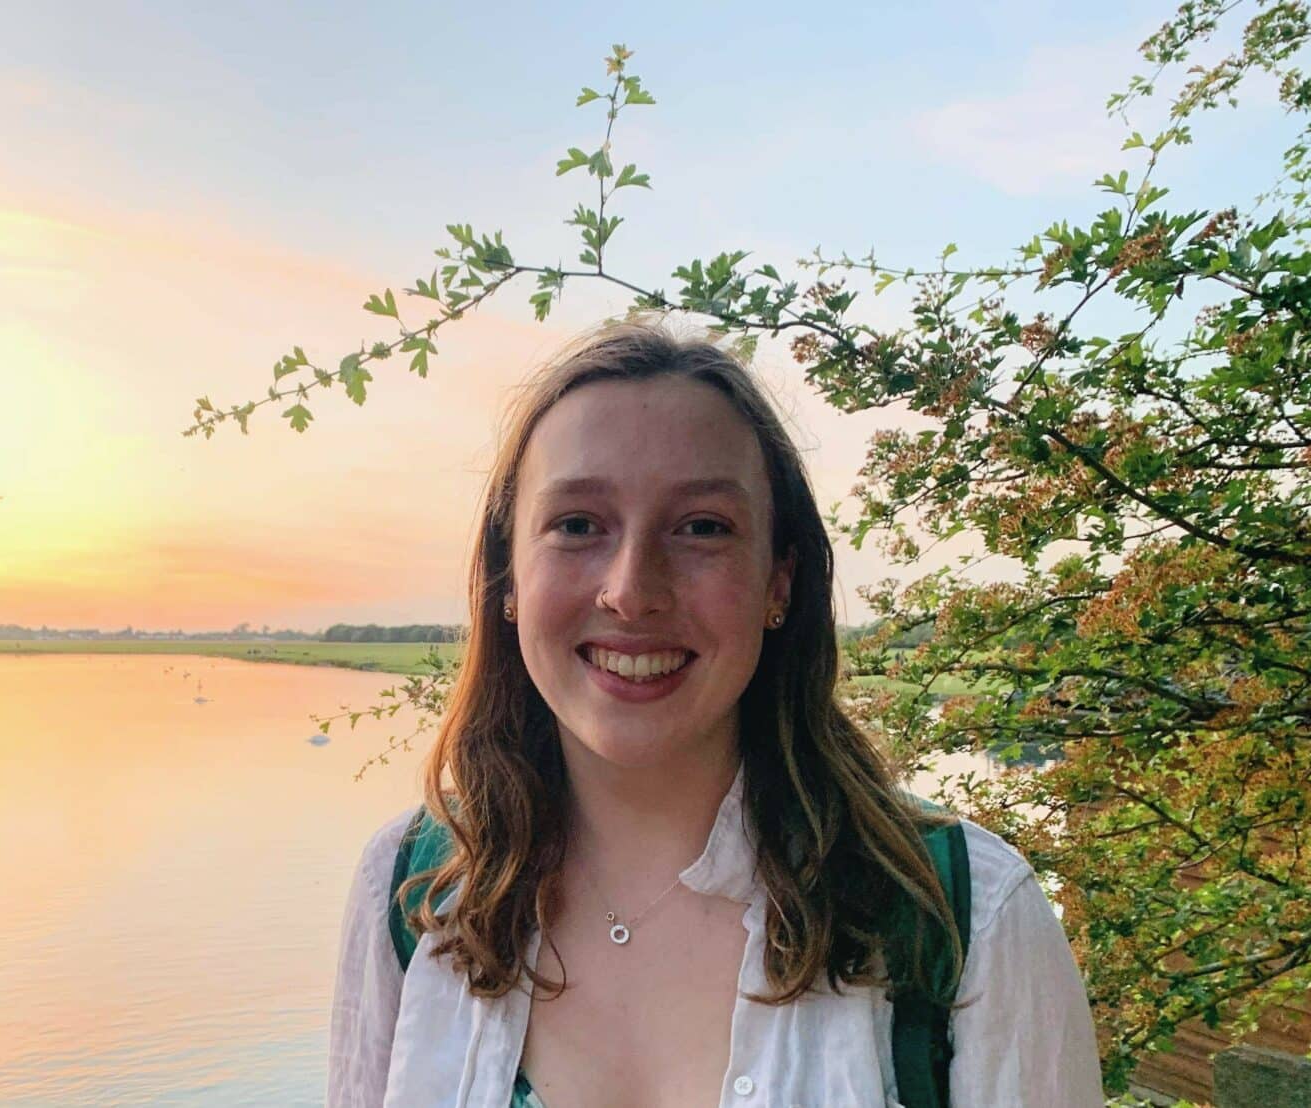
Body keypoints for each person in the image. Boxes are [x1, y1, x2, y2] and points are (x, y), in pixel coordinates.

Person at [327, 322, 1104, 1107]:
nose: (631, 591)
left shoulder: (968, 917)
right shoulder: (410, 893)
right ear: (508, 579)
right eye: (578, 525)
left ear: (779, 582)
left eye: (702, 527)